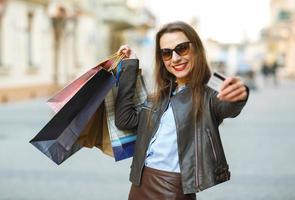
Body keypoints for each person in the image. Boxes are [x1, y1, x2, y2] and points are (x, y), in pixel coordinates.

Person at [115, 21, 249, 200]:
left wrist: (241, 93)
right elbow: (124, 120)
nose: (175, 58)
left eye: (182, 48)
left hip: (174, 190)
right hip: (139, 184)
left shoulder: (209, 91)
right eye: (167, 53)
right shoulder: (159, 96)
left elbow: (229, 104)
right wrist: (130, 66)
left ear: (197, 49)